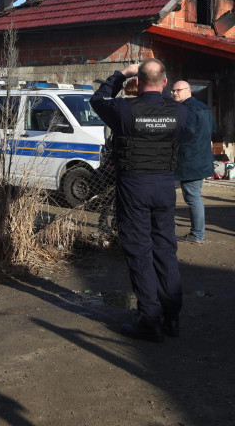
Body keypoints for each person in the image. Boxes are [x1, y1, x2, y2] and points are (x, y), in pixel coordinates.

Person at [91, 59, 187, 342]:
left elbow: (98, 98)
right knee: (165, 249)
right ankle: (172, 317)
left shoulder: (124, 109)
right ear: (166, 83)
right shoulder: (179, 112)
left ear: (138, 82)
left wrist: (122, 73)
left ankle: (149, 319)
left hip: (134, 186)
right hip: (164, 186)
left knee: (139, 250)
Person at [172, 80, 216, 244]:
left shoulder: (186, 109)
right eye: (173, 91)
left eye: (178, 90)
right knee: (193, 197)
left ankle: (197, 235)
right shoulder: (204, 107)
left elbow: (187, 132)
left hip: (189, 161)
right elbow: (213, 129)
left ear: (188, 91)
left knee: (192, 198)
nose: (175, 93)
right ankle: (195, 233)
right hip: (202, 160)